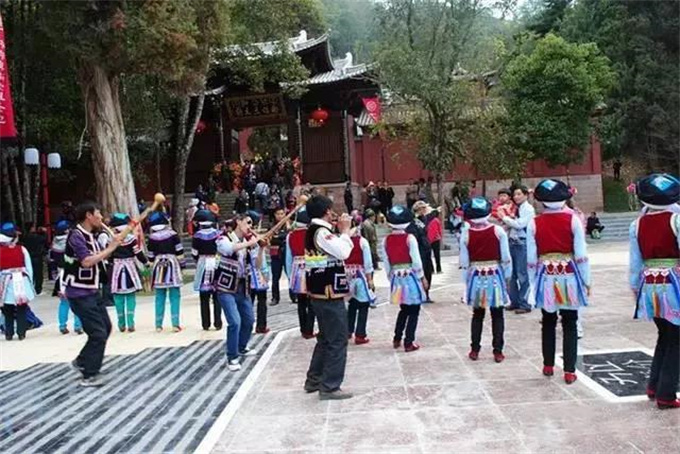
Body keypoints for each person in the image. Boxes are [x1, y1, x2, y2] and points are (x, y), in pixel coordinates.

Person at [527, 179, 590, 385]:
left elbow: (531, 257)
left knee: (548, 320)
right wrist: (586, 280)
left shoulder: (534, 223)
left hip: (546, 275)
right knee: (570, 321)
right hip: (569, 275)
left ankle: (548, 364)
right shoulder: (573, 220)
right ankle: (570, 370)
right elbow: (581, 254)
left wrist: (532, 283)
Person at [629, 173, 680, 409]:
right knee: (676, 339)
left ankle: (654, 385)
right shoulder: (676, 220)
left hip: (649, 284)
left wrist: (635, 289)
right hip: (674, 284)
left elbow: (635, 263)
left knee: (664, 334)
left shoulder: (638, 224)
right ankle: (666, 394)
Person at [63, 202, 121, 387]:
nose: (101, 217)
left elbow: (99, 258)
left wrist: (112, 246)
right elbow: (87, 261)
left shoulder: (91, 236)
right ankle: (89, 375)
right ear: (88, 215)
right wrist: (110, 248)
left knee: (106, 327)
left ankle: (82, 361)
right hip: (79, 292)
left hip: (91, 290)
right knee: (98, 334)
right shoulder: (76, 236)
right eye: (98, 213)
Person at [303, 195, 354, 400]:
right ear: (327, 211)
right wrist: (345, 232)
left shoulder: (314, 230)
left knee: (325, 338)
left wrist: (343, 233)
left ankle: (314, 379)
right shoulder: (321, 232)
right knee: (338, 339)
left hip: (320, 290)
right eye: (331, 209)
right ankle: (330, 386)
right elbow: (343, 252)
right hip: (328, 292)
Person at [459, 198, 511, 363]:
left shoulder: (466, 234)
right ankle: (498, 350)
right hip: (495, 274)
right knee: (497, 314)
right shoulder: (498, 231)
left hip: (476, 275)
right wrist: (507, 277)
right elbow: (506, 258)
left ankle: (474, 349)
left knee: (477, 314)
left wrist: (465, 284)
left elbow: (464, 262)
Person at [214, 213, 260, 371]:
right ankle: (232, 357)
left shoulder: (248, 242)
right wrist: (250, 243)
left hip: (242, 286)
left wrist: (261, 247)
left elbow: (257, 264)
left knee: (249, 320)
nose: (250, 226)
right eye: (248, 222)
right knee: (235, 322)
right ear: (238, 222)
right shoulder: (223, 238)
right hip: (225, 287)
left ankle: (242, 346)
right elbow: (228, 249)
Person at [383, 205, 427, 352]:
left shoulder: (386, 240)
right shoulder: (410, 238)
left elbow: (386, 261)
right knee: (414, 308)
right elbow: (416, 261)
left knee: (403, 309)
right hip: (410, 276)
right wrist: (422, 277)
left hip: (396, 276)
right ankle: (409, 341)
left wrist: (390, 276)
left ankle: (397, 337)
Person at [109, 214, 148, 333]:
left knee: (118, 297)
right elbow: (138, 252)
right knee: (130, 295)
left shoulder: (111, 239)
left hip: (116, 269)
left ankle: (121, 323)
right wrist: (145, 262)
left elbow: (108, 255)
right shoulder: (131, 239)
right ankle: (131, 323)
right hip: (130, 268)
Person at [147, 212, 185, 332]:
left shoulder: (152, 237)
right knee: (175, 296)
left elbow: (150, 255)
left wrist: (151, 267)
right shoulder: (173, 234)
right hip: (172, 264)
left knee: (159, 296)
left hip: (158, 265)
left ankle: (158, 324)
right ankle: (175, 323)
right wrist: (182, 266)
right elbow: (179, 251)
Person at [501, 185, 535, 314]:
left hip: (522, 243)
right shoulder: (516, 208)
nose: (516, 197)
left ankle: (524, 303)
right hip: (512, 242)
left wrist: (504, 218)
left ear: (526, 195)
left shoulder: (528, 209)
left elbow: (520, 224)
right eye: (515, 194)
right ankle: (514, 301)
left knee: (522, 274)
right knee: (512, 274)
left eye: (519, 194)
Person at [0, 222, 36, 341]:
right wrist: (31, 282)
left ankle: (9, 333)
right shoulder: (22, 249)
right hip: (21, 280)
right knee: (21, 308)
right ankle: (21, 333)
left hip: (5, 280)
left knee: (7, 309)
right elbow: (29, 267)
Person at [285, 207, 315, 338]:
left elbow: (288, 258)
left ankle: (303, 328)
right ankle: (309, 328)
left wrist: (289, 275)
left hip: (297, 269)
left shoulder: (290, 236)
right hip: (310, 267)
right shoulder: (312, 234)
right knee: (312, 300)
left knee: (301, 302)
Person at [49, 220, 82, 335]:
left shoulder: (54, 244)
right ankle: (78, 326)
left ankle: (62, 326)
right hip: (74, 273)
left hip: (61, 275)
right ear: (67, 230)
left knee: (64, 303)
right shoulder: (73, 242)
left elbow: (52, 261)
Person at [192, 210, 222, 331]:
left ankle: (206, 324)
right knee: (217, 295)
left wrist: (199, 260)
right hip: (216, 262)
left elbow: (194, 253)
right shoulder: (218, 234)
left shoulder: (197, 236)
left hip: (203, 263)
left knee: (204, 296)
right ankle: (218, 322)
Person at [346, 224, 375, 344]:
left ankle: (348, 330)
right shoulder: (362, 241)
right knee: (363, 305)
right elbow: (368, 262)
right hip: (359, 275)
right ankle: (360, 334)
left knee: (352, 304)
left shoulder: (343, 241)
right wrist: (370, 279)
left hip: (346, 275)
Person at [246, 211, 271, 334]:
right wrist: (261, 248)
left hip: (258, 273)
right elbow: (257, 262)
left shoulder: (253, 237)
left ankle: (260, 325)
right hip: (252, 273)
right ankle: (251, 325)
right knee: (251, 301)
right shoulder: (248, 239)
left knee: (259, 301)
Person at [411, 201, 435, 303]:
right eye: (423, 208)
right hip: (419, 249)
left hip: (426, 248)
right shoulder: (414, 221)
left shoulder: (424, 219)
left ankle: (427, 293)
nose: (425, 210)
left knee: (428, 272)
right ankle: (421, 293)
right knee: (422, 271)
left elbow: (433, 213)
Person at [269, 207, 289, 306]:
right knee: (275, 277)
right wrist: (280, 237)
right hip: (275, 254)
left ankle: (294, 296)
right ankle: (275, 297)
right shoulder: (271, 226)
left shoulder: (288, 225)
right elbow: (271, 238)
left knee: (290, 274)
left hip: (286, 252)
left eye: (282, 214)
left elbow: (288, 236)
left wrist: (279, 236)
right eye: (278, 214)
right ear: (275, 215)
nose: (280, 216)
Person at [21, 224, 48, 295]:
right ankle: (38, 290)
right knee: (38, 274)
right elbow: (44, 239)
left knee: (31, 273)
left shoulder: (25, 237)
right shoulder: (36, 237)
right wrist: (44, 232)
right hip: (37, 257)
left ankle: (31, 288)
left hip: (28, 257)